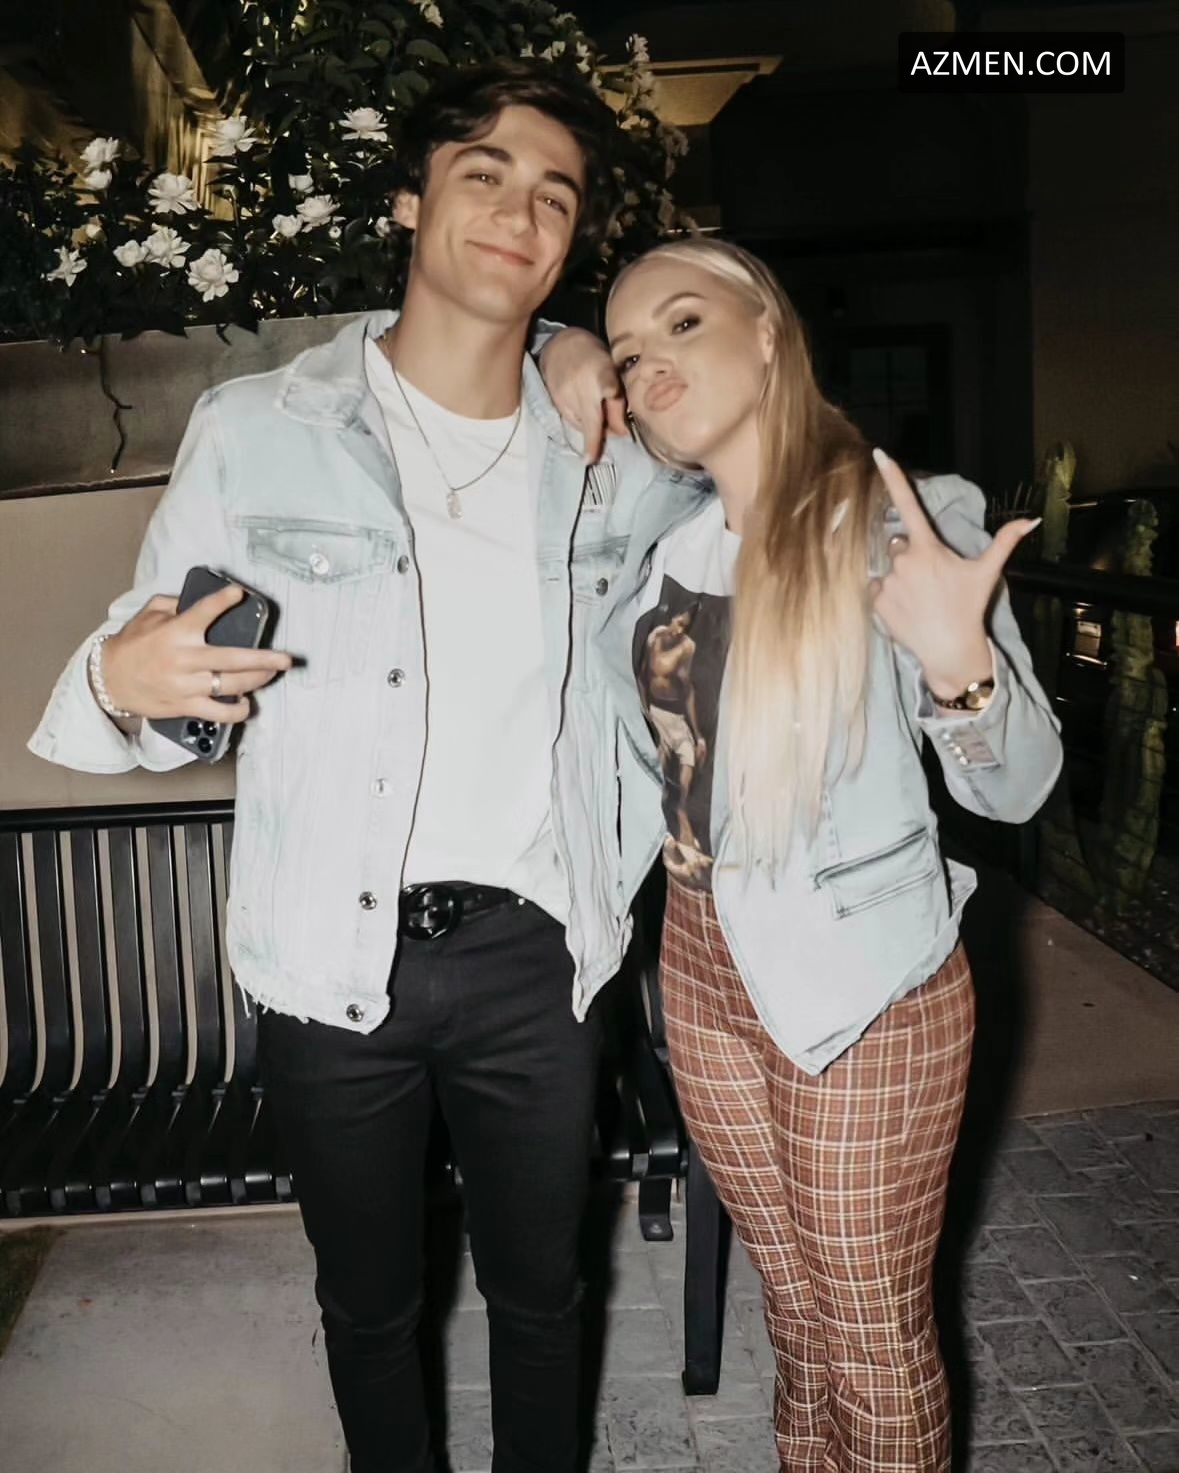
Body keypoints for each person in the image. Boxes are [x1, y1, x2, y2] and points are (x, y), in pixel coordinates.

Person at [28, 61, 699, 1473]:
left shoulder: (615, 453)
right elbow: (153, 666)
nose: (518, 213)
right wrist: (117, 684)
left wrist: (580, 348)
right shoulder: (257, 429)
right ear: (407, 200)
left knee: (543, 1296)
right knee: (369, 1305)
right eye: (483, 175)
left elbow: (765, 479)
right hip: (327, 951)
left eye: (554, 196)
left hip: (539, 951)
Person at [540, 237, 1062, 1472]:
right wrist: (562, 345)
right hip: (699, 970)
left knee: (872, 1335)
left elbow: (1021, 783)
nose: (649, 367)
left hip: (861, 988)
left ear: (770, 330)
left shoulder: (897, 523)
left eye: (683, 324)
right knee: (798, 1313)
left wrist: (961, 667)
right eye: (631, 352)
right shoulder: (660, 544)